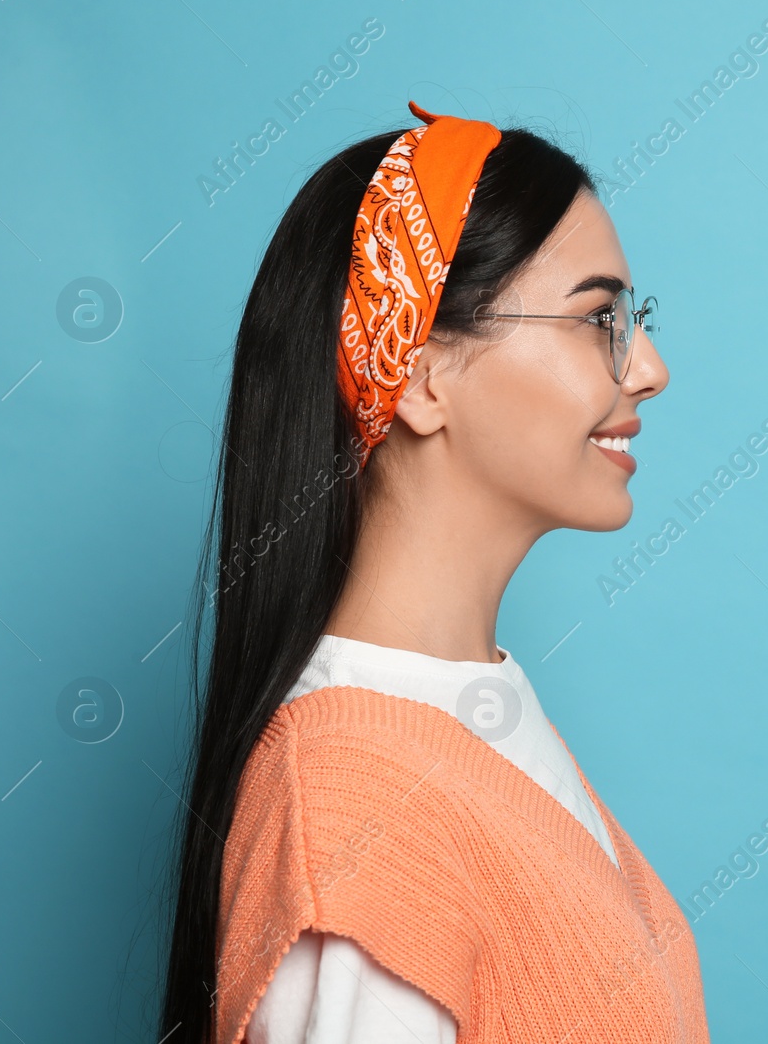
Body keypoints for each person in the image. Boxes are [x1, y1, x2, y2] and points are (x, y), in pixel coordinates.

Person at [156, 101, 707, 1044]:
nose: (648, 366)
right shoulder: (350, 812)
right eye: (598, 318)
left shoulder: (475, 711)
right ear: (416, 373)